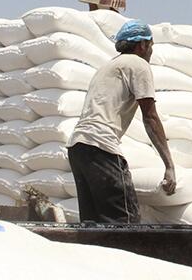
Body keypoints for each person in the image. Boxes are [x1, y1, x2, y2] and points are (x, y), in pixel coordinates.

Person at [66, 20, 176, 223]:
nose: (151, 51)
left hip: (78, 148)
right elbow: (150, 116)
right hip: (101, 147)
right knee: (124, 223)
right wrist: (169, 166)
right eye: (151, 46)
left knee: (94, 226)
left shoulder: (109, 66)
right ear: (142, 45)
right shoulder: (138, 64)